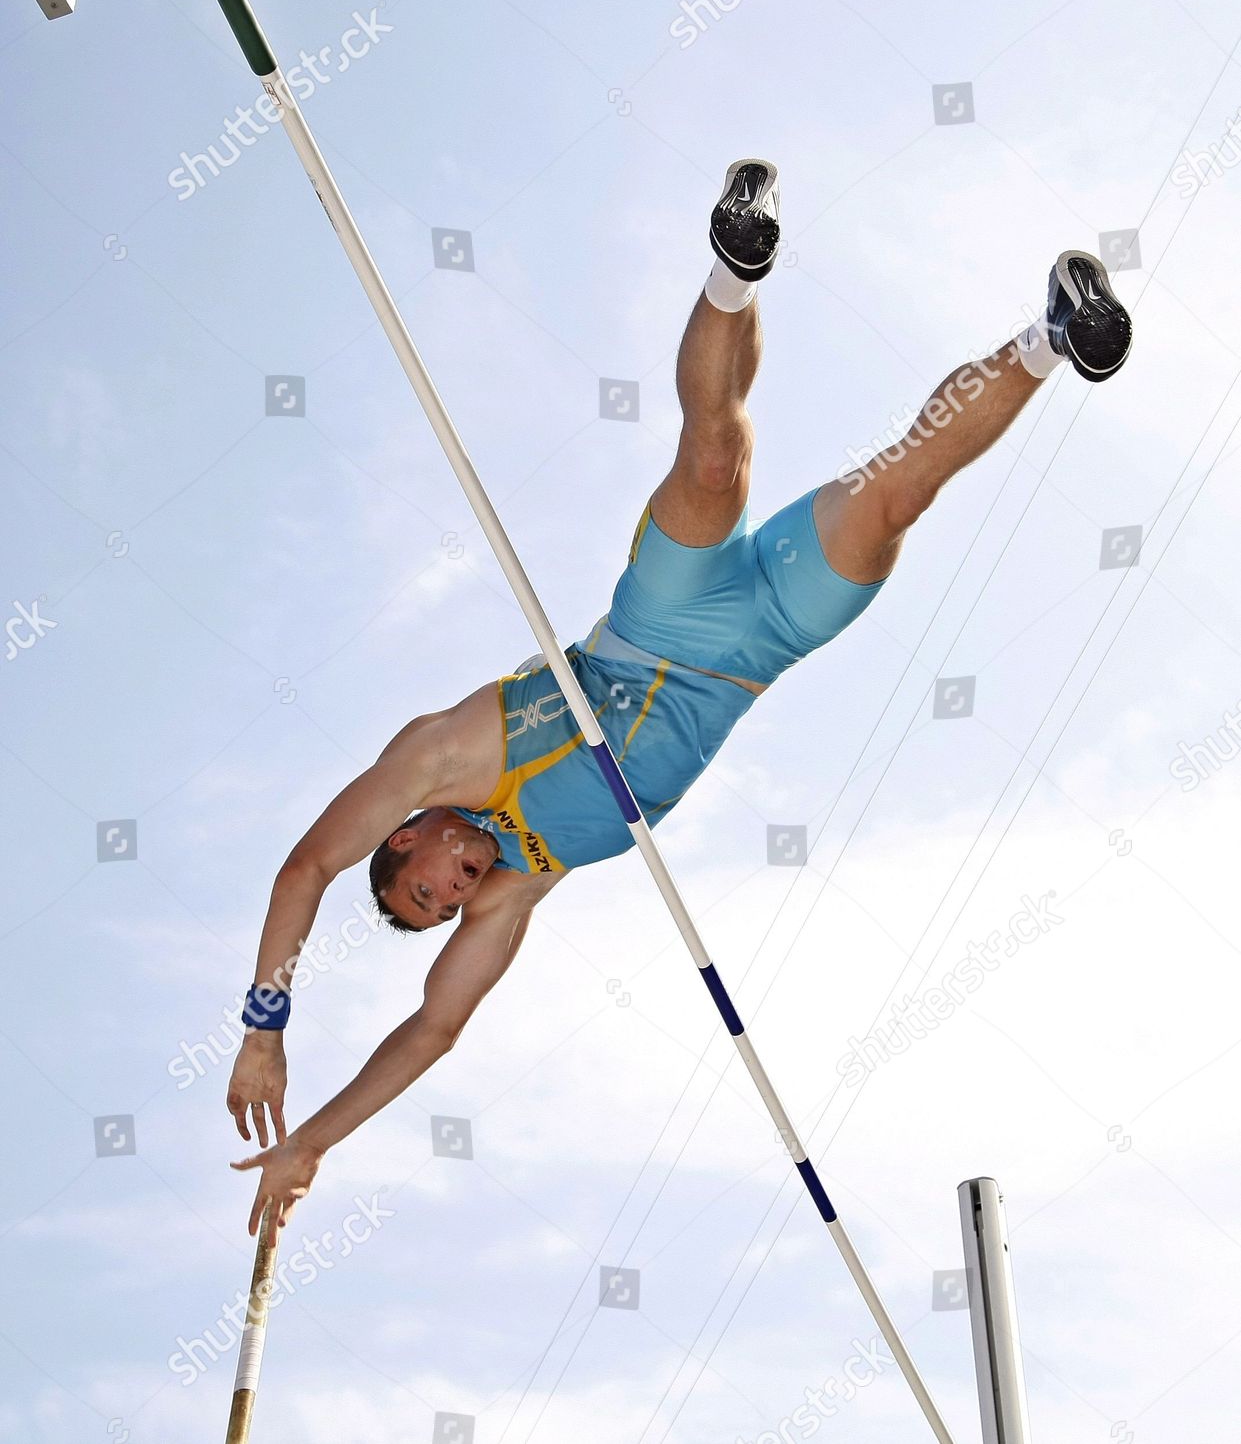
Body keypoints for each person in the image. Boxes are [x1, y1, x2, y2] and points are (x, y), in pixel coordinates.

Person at [227, 159, 1133, 1232]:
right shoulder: (517, 891)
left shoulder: (436, 758)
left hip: (664, 615)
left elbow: (306, 867)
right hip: (760, 647)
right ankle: (1048, 338)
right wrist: (310, 1145)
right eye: (443, 913)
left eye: (426, 890)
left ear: (414, 834)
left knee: (714, 458)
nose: (454, 897)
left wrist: (264, 1025)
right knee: (897, 495)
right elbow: (429, 1034)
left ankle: (732, 270)